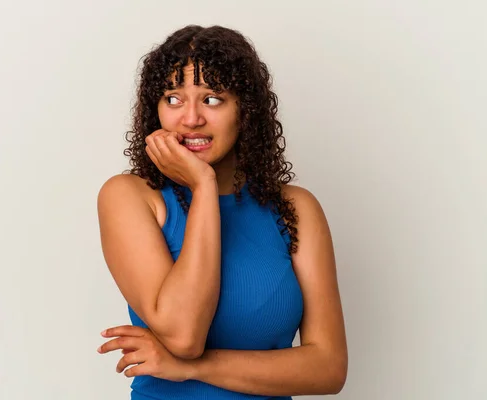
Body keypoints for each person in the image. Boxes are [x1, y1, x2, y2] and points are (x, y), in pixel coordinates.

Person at [96, 24, 348, 399]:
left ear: (244, 110)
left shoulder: (296, 209)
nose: (191, 118)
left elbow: (328, 369)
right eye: (173, 98)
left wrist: (192, 369)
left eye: (212, 99)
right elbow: (184, 335)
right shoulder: (130, 197)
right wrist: (203, 186)